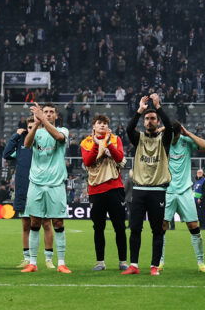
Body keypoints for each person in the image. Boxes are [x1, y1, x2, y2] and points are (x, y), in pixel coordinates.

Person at [122, 94, 173, 276]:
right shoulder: (139, 138)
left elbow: (171, 126)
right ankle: (134, 265)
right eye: (147, 119)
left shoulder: (164, 140)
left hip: (158, 190)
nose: (149, 121)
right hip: (139, 190)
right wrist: (139, 111)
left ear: (158, 122)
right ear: (143, 122)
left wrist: (158, 106)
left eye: (153, 119)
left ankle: (154, 266)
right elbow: (128, 128)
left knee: (157, 230)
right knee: (135, 228)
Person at [21, 104, 70, 274]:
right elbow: (27, 144)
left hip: (56, 184)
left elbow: (58, 137)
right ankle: (33, 262)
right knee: (34, 222)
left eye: (51, 112)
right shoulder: (37, 132)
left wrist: (42, 119)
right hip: (36, 183)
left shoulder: (63, 130)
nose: (48, 114)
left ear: (56, 115)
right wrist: (35, 124)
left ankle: (61, 262)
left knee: (58, 222)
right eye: (45, 112)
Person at [160, 122, 205, 272]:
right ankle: (159, 262)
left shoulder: (185, 141)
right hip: (168, 190)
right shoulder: (163, 141)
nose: (173, 138)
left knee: (193, 226)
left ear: (178, 133)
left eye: (175, 135)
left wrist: (188, 133)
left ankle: (201, 262)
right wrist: (163, 129)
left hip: (185, 191)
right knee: (162, 226)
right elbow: (150, 136)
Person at [4, 115, 54, 268]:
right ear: (27, 128)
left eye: (36, 126)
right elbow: (6, 154)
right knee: (26, 225)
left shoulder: (45, 142)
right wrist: (15, 135)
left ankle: (48, 259)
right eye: (30, 127)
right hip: (23, 188)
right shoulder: (21, 142)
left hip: (42, 187)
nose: (33, 129)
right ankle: (27, 258)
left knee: (46, 223)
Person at [80, 114, 128, 272]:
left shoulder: (115, 139)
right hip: (95, 189)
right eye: (99, 123)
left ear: (108, 126)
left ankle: (123, 261)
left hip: (115, 187)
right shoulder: (86, 142)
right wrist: (96, 144)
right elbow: (87, 161)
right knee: (98, 227)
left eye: (105, 123)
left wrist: (107, 145)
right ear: (93, 126)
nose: (102, 125)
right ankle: (100, 262)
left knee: (119, 227)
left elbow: (120, 157)